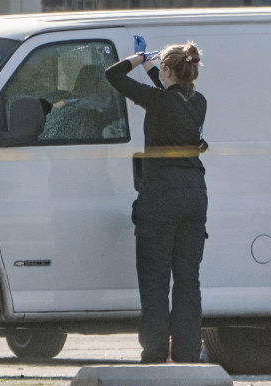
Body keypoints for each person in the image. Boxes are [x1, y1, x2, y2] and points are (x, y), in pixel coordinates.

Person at [105, 36, 208, 363]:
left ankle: (153, 355)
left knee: (155, 281)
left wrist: (137, 59)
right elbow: (173, 95)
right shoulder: (198, 102)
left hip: (161, 198)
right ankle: (187, 355)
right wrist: (154, 66)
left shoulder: (159, 101)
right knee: (188, 281)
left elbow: (113, 75)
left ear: (168, 71)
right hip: (194, 197)